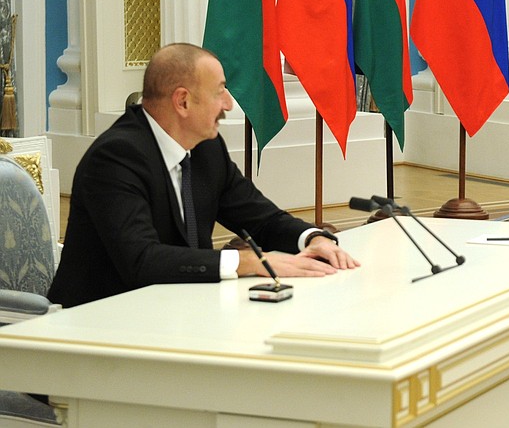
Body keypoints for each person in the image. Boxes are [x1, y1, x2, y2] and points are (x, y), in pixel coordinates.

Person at [47, 44, 359, 308]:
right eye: (220, 90)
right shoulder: (116, 158)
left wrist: (312, 238)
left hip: (177, 308)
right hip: (101, 323)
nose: (229, 103)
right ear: (182, 101)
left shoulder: (206, 148)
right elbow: (141, 260)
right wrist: (247, 262)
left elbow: (261, 218)